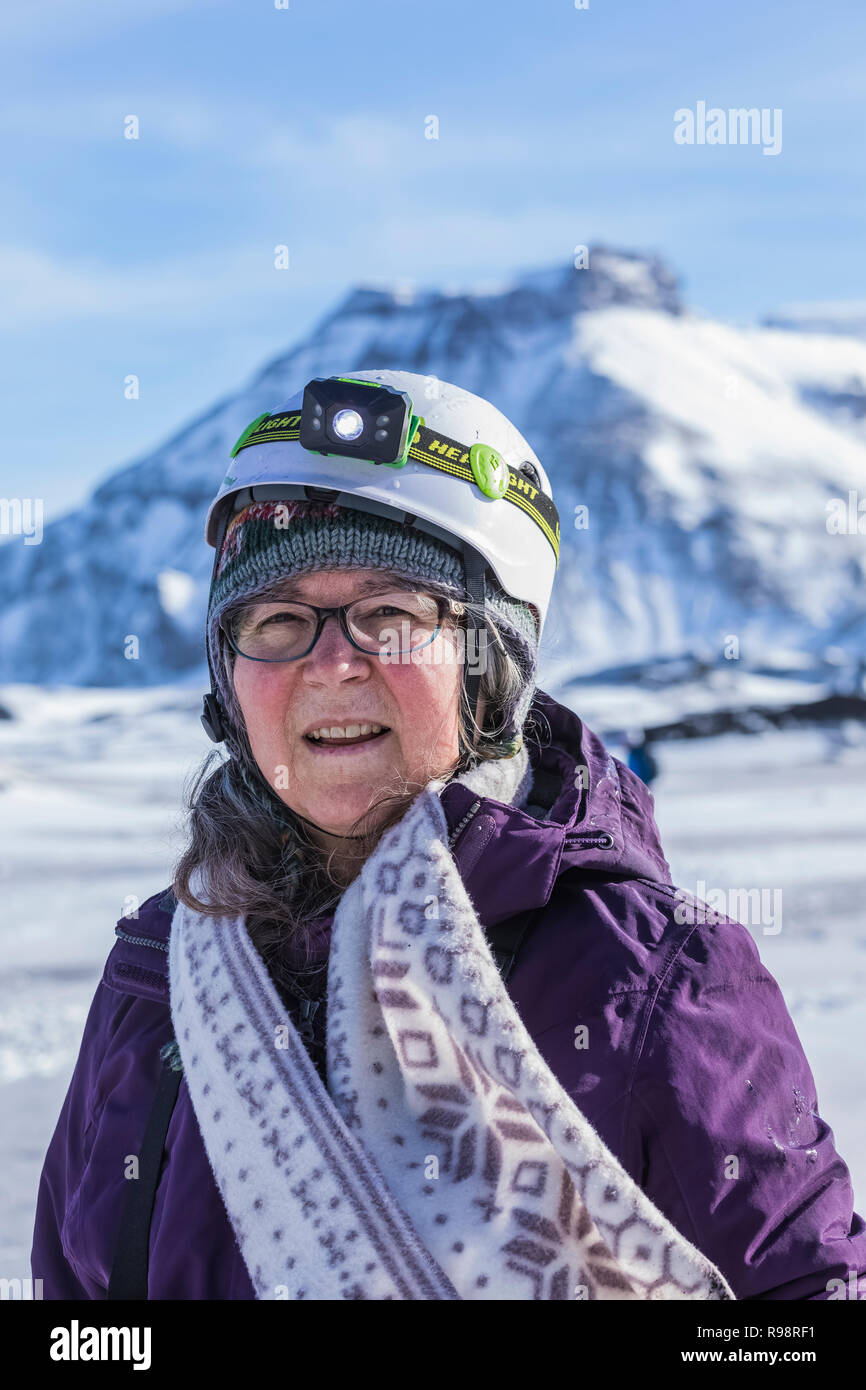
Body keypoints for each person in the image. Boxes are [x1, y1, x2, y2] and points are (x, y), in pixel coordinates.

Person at [31, 370, 865, 1301]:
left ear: (492, 662)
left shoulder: (654, 977)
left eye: (390, 615)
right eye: (277, 621)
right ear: (230, 686)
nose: (331, 663)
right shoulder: (159, 971)